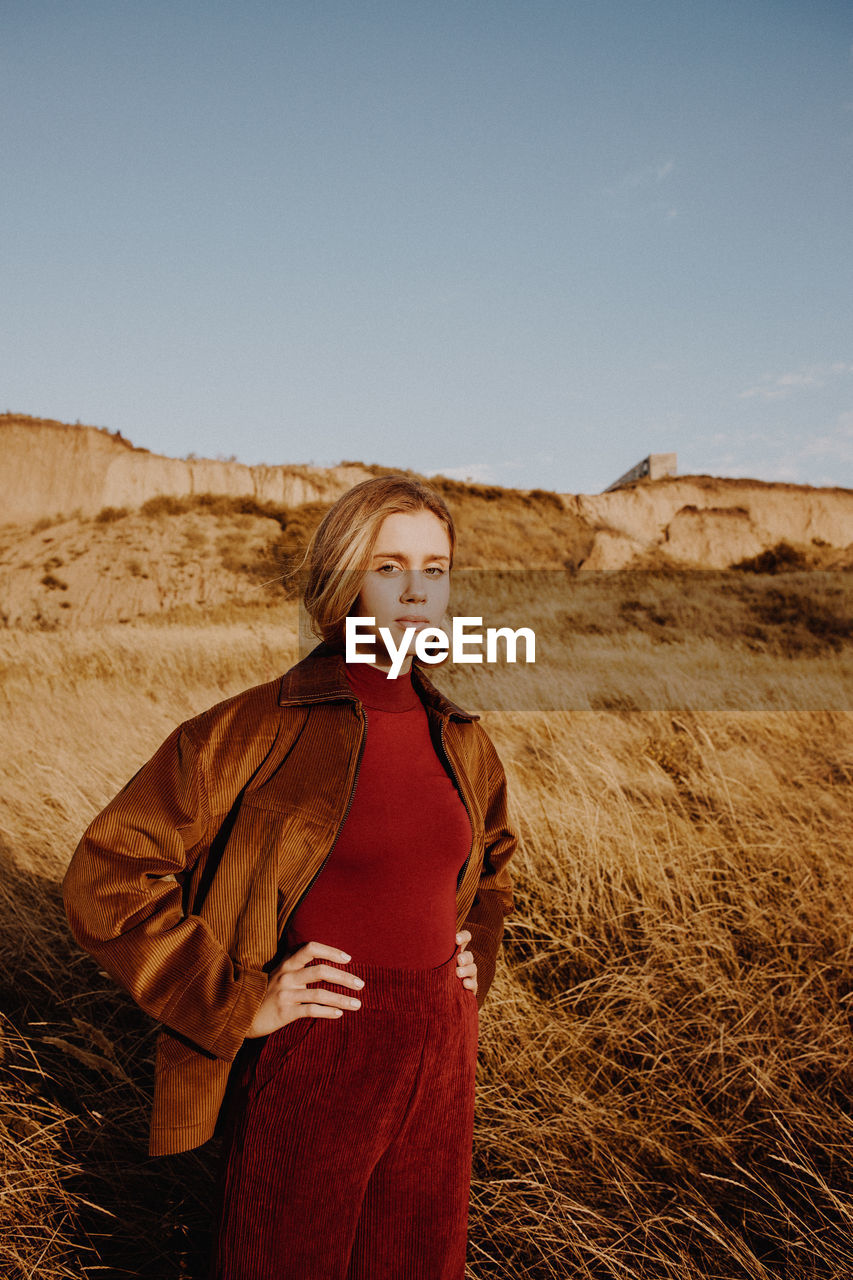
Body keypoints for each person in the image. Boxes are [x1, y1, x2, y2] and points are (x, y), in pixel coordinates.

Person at [62, 474, 519, 1280]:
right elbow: (110, 872)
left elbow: (492, 866)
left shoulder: (462, 735)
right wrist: (240, 1001)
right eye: (389, 566)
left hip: (443, 1053)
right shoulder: (251, 727)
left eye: (435, 569)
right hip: (319, 1052)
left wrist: (472, 954)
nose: (416, 589)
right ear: (343, 578)